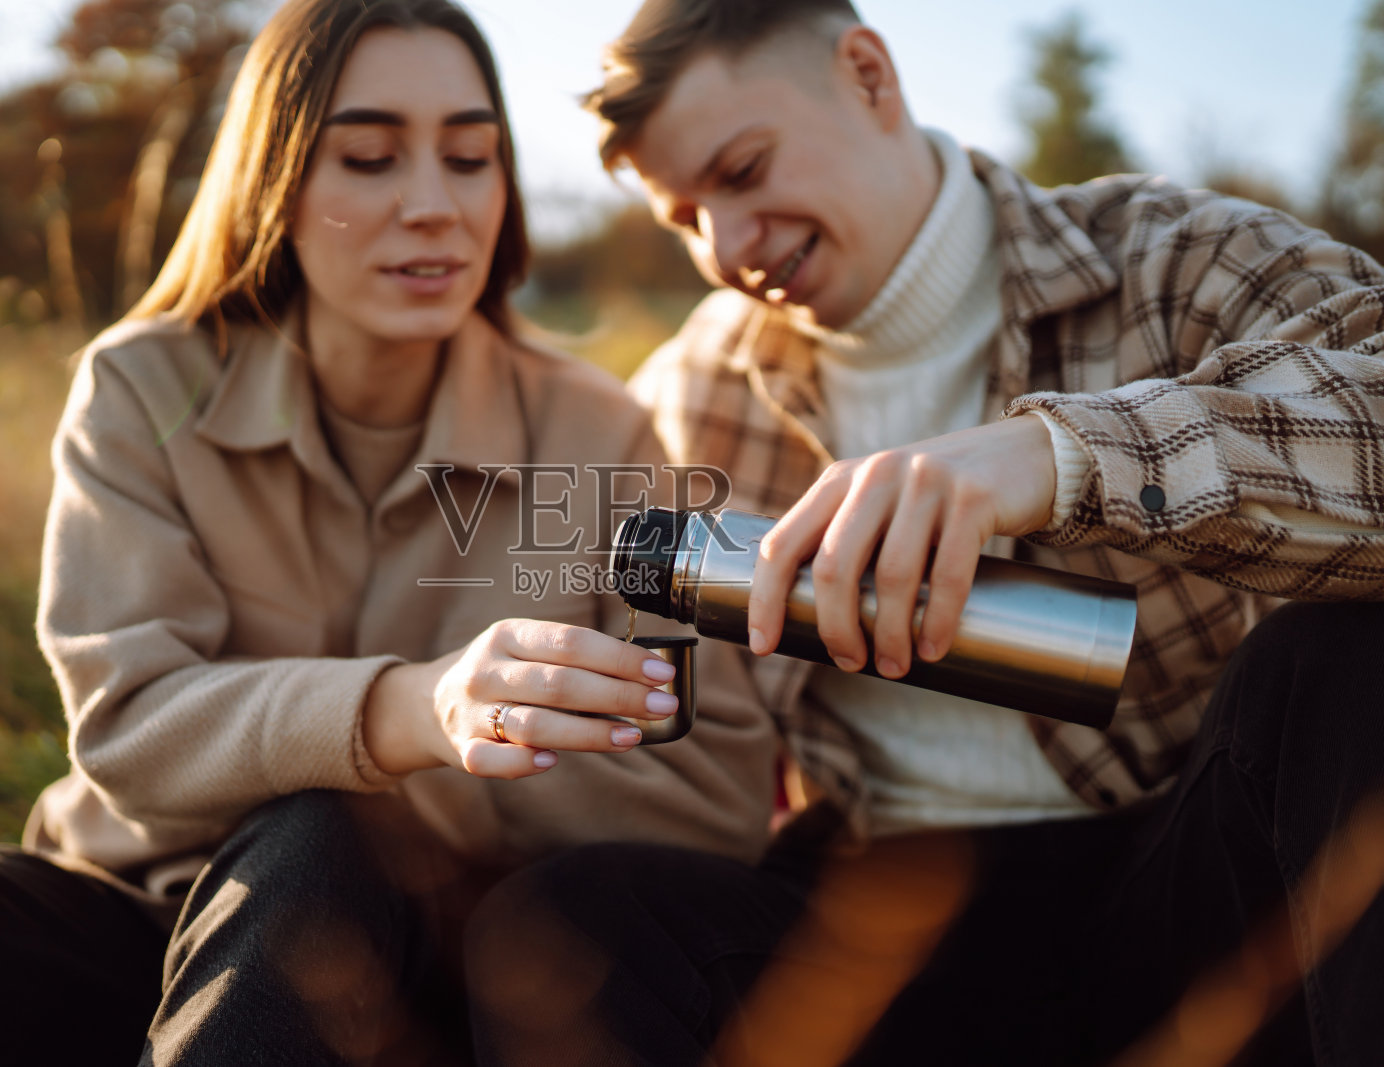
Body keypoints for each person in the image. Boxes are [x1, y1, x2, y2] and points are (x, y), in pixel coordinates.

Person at [0, 2, 778, 1064]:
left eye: (471, 155)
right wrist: (411, 708)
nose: (435, 205)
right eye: (368, 156)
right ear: (277, 181)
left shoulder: (600, 431)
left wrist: (432, 759)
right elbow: (129, 725)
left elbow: (711, 790)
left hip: (429, 981)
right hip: (139, 923)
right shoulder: (143, 382)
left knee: (323, 835)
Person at [462, 2, 1384, 1065]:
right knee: (567, 918)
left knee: (1342, 658)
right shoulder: (693, 388)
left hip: (1182, 887)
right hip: (870, 925)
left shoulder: (1178, 261)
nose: (727, 246)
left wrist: (1058, 459)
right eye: (684, 217)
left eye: (745, 169)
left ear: (866, 74)